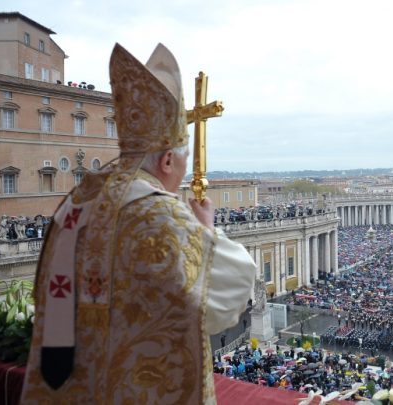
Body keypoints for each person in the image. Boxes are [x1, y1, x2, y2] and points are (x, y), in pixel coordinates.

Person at [21, 43, 256, 404]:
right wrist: (207, 231)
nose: (180, 172)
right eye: (181, 163)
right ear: (166, 161)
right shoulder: (159, 212)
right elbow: (229, 294)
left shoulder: (77, 201)